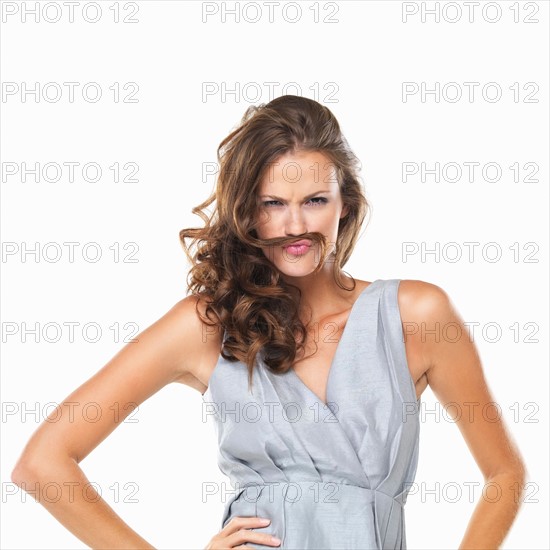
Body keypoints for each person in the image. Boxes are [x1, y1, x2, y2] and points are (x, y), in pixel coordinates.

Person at [11, 95, 526, 549]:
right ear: (246, 212)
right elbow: (43, 463)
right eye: (272, 204)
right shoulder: (209, 325)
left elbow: (505, 474)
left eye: (315, 201)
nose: (295, 226)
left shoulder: (415, 314)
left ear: (344, 204)